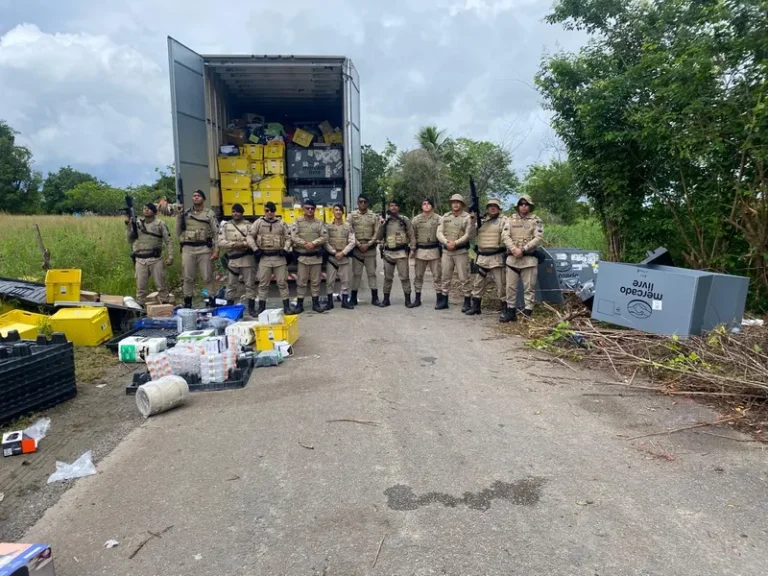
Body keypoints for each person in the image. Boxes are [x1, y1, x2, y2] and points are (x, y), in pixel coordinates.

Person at [247, 201, 295, 316]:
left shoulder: (281, 223)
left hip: (279, 258)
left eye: (272, 211)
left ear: (275, 211)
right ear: (264, 211)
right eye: (267, 210)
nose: (269, 213)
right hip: (264, 258)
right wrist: (255, 249)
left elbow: (289, 237)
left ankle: (287, 307)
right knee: (263, 284)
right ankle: (261, 308)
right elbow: (249, 236)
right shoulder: (258, 223)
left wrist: (285, 248)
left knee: (282, 283)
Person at [501, 194, 543, 322]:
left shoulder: (536, 220)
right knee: (510, 287)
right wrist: (513, 249)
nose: (523, 206)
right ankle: (510, 311)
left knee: (529, 287)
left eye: (526, 204)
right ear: (518, 206)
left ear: (529, 206)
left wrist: (523, 249)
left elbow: (538, 238)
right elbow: (505, 236)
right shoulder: (510, 220)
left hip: (528, 259)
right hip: (513, 259)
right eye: (521, 204)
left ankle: (527, 313)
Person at [176, 189, 218, 308]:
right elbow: (178, 232)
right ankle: (187, 303)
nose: (195, 197)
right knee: (188, 277)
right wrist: (179, 215)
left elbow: (216, 233)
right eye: (194, 196)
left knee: (207, 277)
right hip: (188, 248)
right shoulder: (185, 213)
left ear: (203, 199)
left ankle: (212, 301)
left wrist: (216, 250)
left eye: (198, 196)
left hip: (204, 248)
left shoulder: (209, 214)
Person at [125, 202, 173, 306]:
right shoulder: (137, 224)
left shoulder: (160, 224)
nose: (146, 210)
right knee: (141, 287)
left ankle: (165, 306)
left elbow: (168, 240)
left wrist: (170, 256)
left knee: (161, 285)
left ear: (154, 211)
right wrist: (129, 225)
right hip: (140, 260)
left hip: (155, 259)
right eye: (144, 208)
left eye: (149, 208)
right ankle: (140, 308)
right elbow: (129, 239)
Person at [436, 193, 476, 311]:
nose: (455, 204)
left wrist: (456, 243)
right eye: (453, 202)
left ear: (462, 204)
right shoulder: (445, 217)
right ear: (451, 204)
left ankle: (467, 301)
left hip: (461, 251)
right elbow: (439, 232)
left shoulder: (468, 217)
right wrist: (446, 242)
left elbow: (469, 234)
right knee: (445, 276)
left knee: (464, 277)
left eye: (458, 202)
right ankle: (444, 300)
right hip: (446, 251)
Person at [467, 199, 507, 318]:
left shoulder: (504, 220)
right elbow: (471, 235)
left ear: (499, 208)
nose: (492, 208)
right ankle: (476, 307)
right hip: (483, 257)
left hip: (497, 256)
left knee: (501, 284)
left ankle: (505, 308)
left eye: (495, 206)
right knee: (478, 283)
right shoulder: (481, 220)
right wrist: (473, 219)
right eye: (490, 206)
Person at [217, 203, 257, 315]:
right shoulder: (226, 226)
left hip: (247, 259)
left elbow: (253, 242)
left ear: (242, 213)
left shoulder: (249, 226)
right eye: (233, 212)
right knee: (231, 285)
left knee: (250, 285)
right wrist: (235, 245)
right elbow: (220, 242)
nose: (235, 214)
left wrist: (243, 244)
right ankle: (229, 308)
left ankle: (251, 309)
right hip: (233, 260)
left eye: (238, 212)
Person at [290, 199, 329, 313]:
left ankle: (315, 304)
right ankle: (299, 305)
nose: (310, 210)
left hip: (316, 257)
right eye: (307, 208)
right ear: (303, 209)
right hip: (302, 257)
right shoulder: (297, 222)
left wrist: (314, 243)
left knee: (315, 282)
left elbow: (325, 237)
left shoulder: (319, 223)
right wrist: (304, 244)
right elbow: (294, 236)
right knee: (301, 281)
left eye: (312, 208)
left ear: (315, 210)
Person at [376, 199, 416, 308]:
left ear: (398, 208)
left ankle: (407, 300)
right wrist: (381, 224)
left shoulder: (404, 220)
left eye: (395, 206)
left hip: (401, 253)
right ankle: (386, 299)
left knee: (404, 277)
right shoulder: (386, 221)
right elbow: (378, 237)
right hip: (388, 253)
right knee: (388, 277)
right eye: (391, 206)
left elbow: (411, 234)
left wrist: (413, 248)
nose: (393, 207)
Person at [347, 195, 381, 306]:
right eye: (360, 202)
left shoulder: (373, 216)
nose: (363, 204)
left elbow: (377, 232)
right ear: (357, 203)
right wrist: (358, 244)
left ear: (368, 203)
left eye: (365, 202)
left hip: (370, 249)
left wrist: (369, 244)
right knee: (356, 274)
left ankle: (375, 298)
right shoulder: (352, 215)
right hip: (357, 250)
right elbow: (349, 231)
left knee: (371, 274)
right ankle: (353, 298)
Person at [410, 198, 442, 308]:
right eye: (424, 203)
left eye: (428, 203)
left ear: (432, 206)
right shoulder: (416, 219)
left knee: (437, 275)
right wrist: (412, 248)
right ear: (421, 206)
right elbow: (412, 234)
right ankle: (417, 298)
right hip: (420, 251)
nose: (426, 205)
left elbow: (443, 233)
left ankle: (439, 299)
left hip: (434, 250)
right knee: (418, 276)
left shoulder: (439, 219)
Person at [324, 204, 356, 310]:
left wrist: (343, 252)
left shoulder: (348, 227)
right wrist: (334, 252)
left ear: (343, 212)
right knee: (329, 281)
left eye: (340, 210)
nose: (338, 212)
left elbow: (352, 242)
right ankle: (330, 303)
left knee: (345, 281)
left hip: (344, 257)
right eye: (336, 210)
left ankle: (345, 301)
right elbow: (325, 242)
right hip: (332, 258)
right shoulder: (328, 226)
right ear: (333, 212)